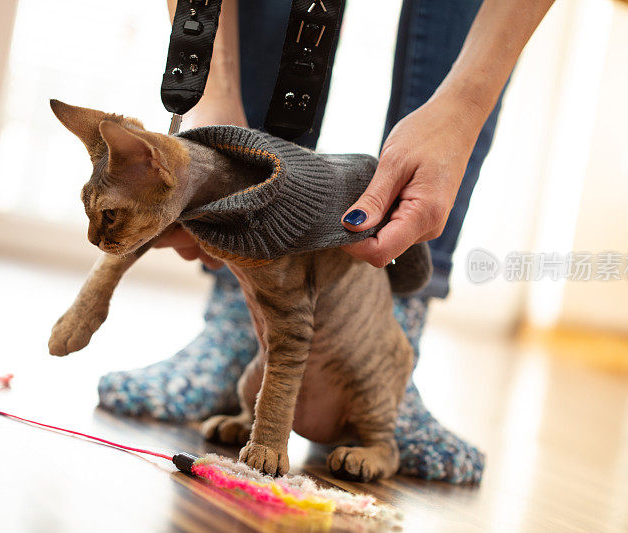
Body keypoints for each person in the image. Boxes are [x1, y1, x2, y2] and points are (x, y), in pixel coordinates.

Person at [98, 0, 555, 484]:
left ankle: (398, 330)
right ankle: (240, 322)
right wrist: (211, 96)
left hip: (367, 332)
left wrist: (463, 107)